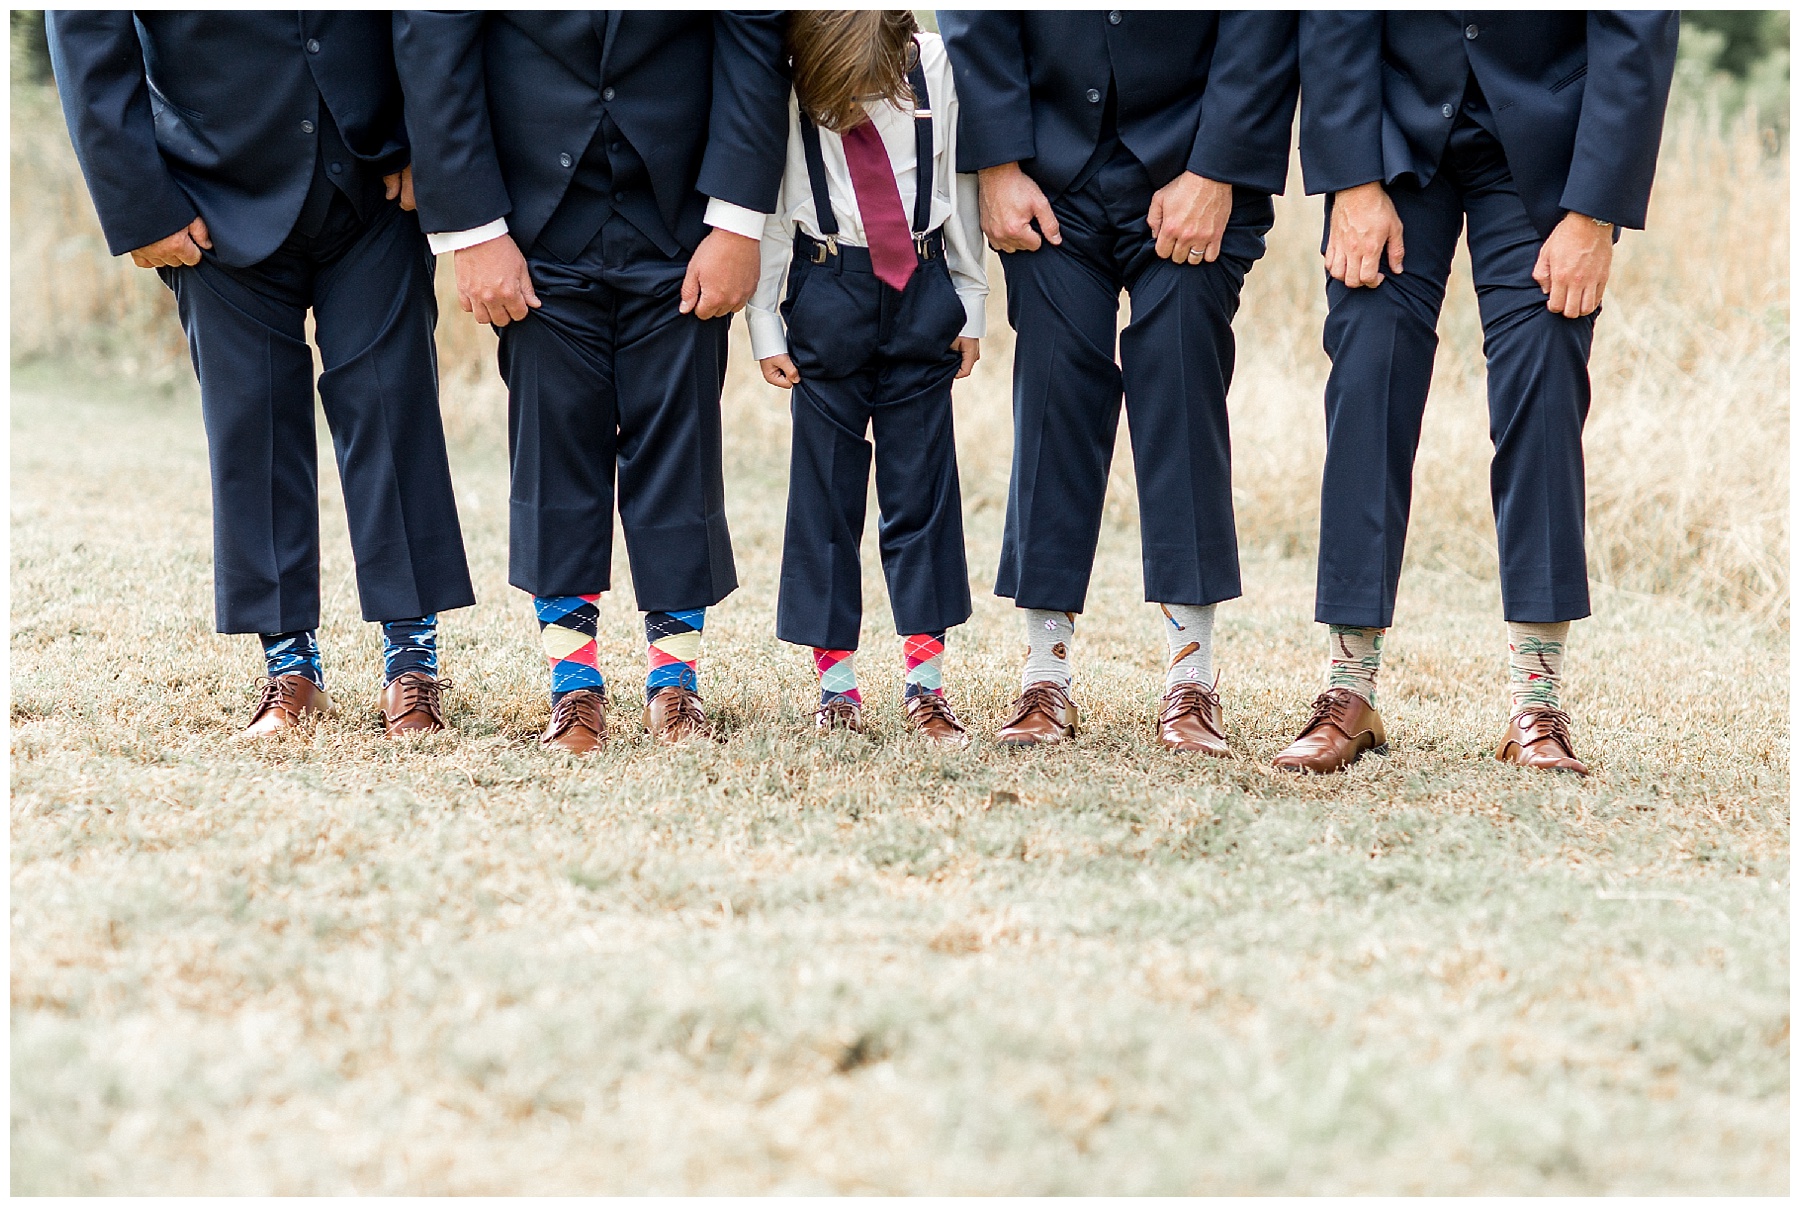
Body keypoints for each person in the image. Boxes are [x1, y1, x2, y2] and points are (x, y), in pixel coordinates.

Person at [47, 11, 476, 741]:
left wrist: (430, 142)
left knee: (393, 407)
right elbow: (84, 28)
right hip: (210, 191)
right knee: (252, 427)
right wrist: (140, 206)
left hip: (376, 176)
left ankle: (412, 663)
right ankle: (291, 667)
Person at [1274, 12, 1678, 775]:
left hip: (1550, 139)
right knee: (1367, 370)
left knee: (1545, 373)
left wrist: (1595, 211)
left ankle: (1538, 703)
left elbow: (1639, 21)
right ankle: (1348, 690)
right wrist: (1352, 179)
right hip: (1390, 130)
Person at [392, 13, 790, 754]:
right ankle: (573, 689)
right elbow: (434, 35)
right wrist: (474, 231)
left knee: (682, 451)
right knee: (552, 452)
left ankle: (675, 685)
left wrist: (739, 223)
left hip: (686, 220)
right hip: (528, 226)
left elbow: (754, 27)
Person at [938, 12, 1299, 751]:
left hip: (1195, 160)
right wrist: (996, 164)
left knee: (1181, 383)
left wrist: (1216, 168)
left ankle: (1191, 679)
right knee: (1053, 390)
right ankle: (1045, 675)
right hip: (1045, 165)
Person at [749, 11, 985, 745]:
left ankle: (926, 685)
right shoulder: (794, 75)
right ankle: (835, 687)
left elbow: (960, 185)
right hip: (829, 287)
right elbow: (773, 206)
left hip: (922, 285)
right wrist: (764, 321)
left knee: (923, 488)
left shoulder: (936, 66)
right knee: (824, 492)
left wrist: (972, 301)